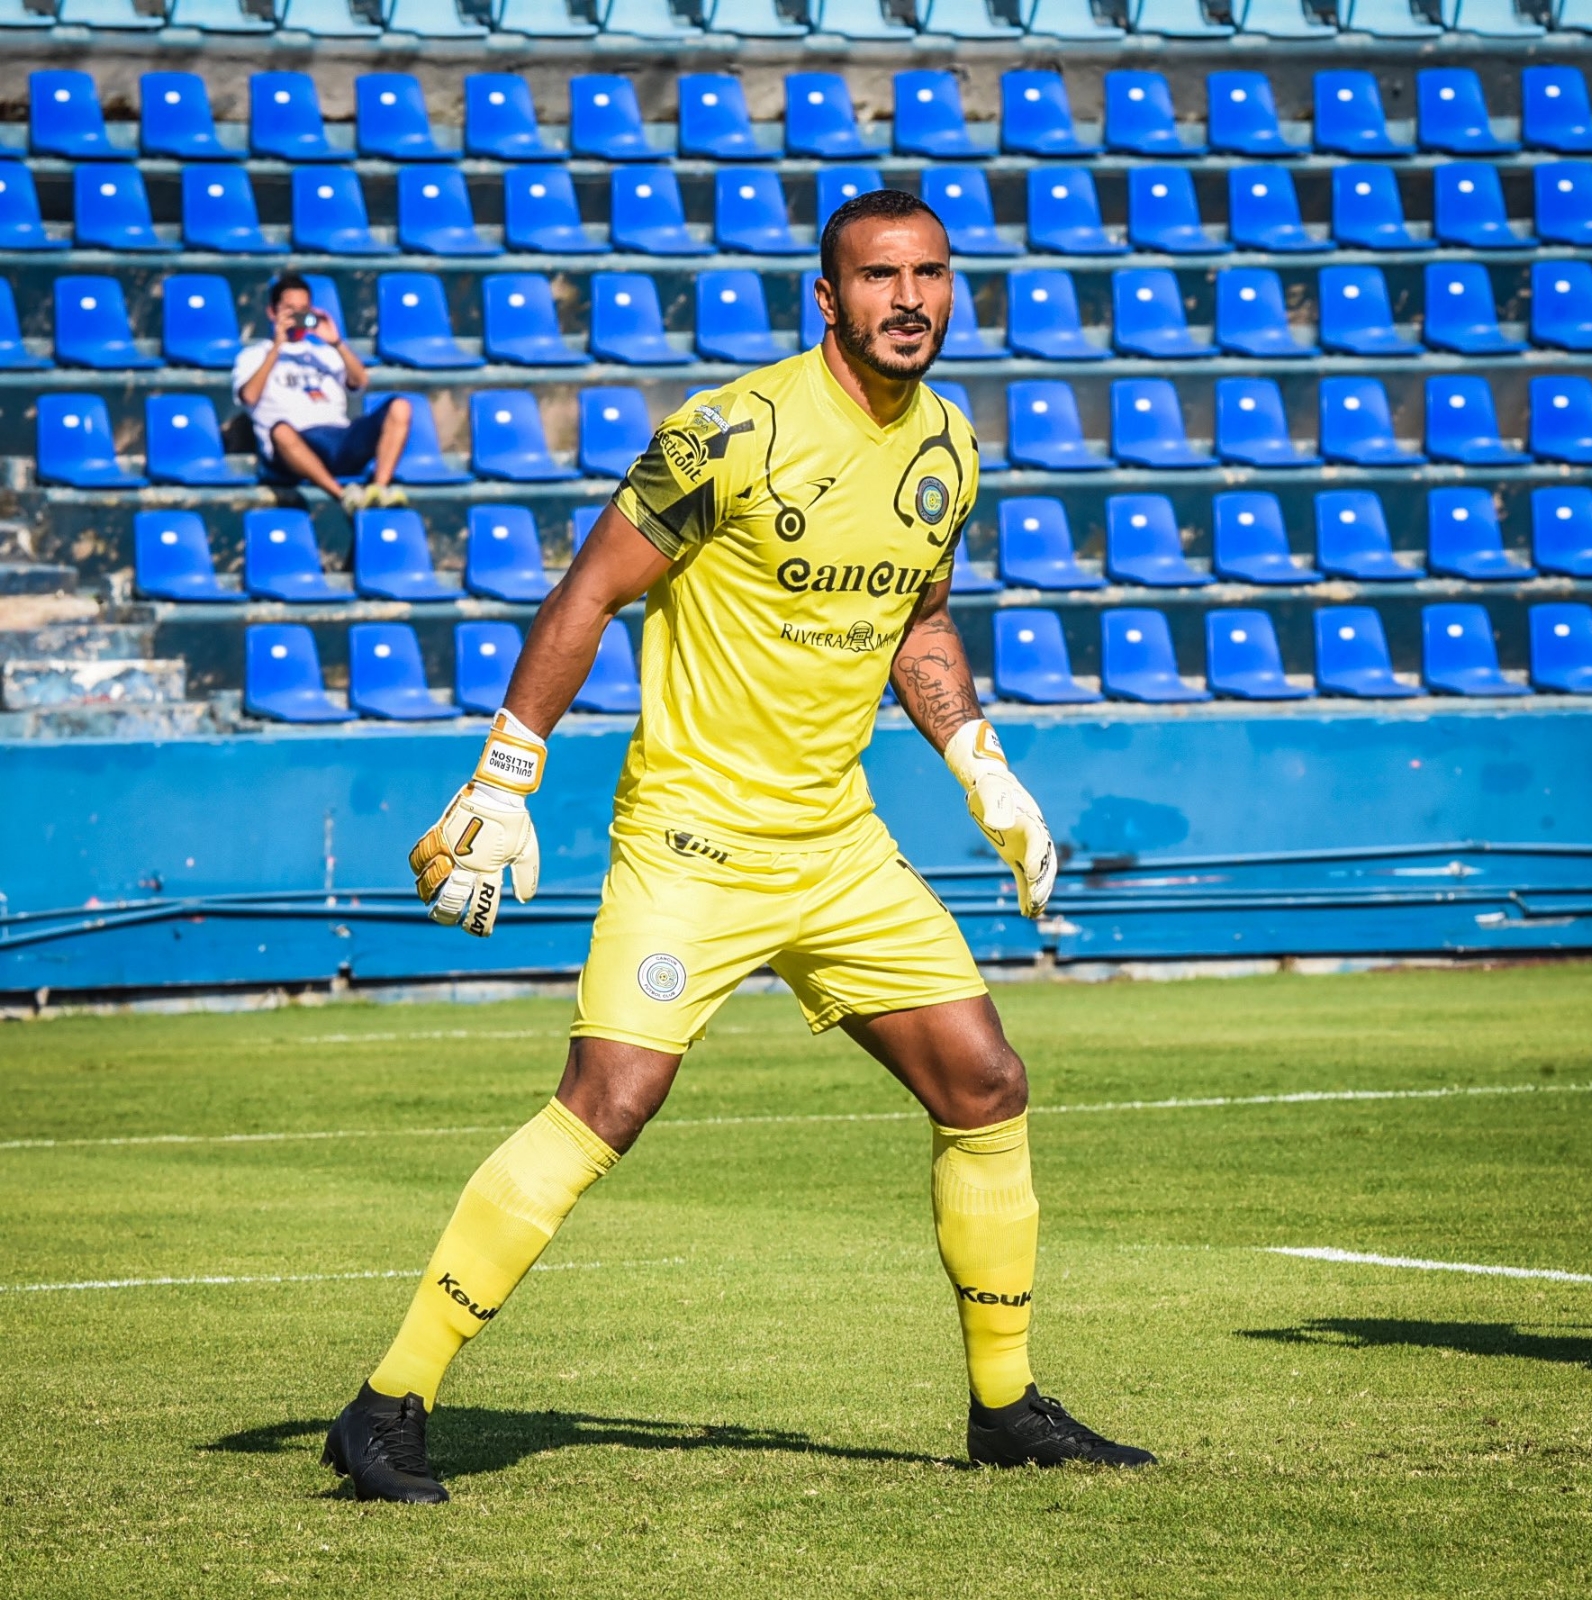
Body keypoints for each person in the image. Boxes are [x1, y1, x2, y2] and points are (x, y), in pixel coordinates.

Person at [321, 189, 1156, 1503]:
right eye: (880, 277)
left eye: (932, 274)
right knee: (608, 1104)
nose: (910, 299)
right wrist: (506, 771)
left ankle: (1005, 1412)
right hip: (693, 842)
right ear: (828, 299)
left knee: (985, 1084)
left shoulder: (949, 448)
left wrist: (983, 766)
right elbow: (590, 587)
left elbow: (921, 624)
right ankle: (386, 1405)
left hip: (837, 847)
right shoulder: (731, 431)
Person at [232, 273, 412, 517]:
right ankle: (342, 496)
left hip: (337, 437)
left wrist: (336, 343)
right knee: (281, 431)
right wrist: (277, 347)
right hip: (292, 447)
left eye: (303, 310)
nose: (297, 316)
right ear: (272, 313)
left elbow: (360, 382)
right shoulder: (253, 356)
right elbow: (249, 397)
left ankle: (378, 490)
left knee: (400, 407)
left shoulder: (324, 353)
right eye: (289, 310)